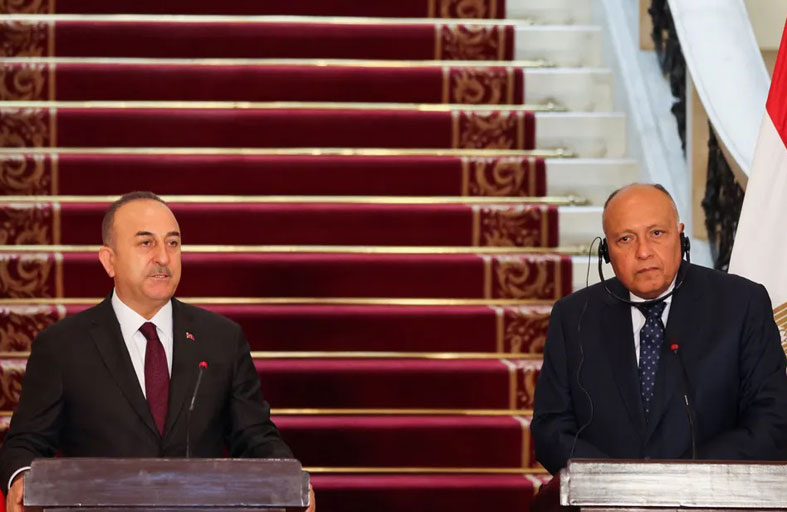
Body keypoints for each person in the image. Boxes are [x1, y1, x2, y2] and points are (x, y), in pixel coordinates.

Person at [0, 192, 315, 511]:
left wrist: (289, 481)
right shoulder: (63, 345)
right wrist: (22, 480)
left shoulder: (221, 339)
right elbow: (26, 443)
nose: (163, 257)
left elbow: (255, 436)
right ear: (109, 260)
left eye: (173, 243)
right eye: (146, 243)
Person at [531, 183, 787, 475]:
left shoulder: (741, 303)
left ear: (680, 236)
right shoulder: (573, 316)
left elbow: (773, 419)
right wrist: (613, 480)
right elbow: (550, 428)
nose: (643, 252)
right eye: (625, 239)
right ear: (606, 251)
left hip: (712, 491)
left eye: (656, 233)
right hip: (605, 495)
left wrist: (683, 477)